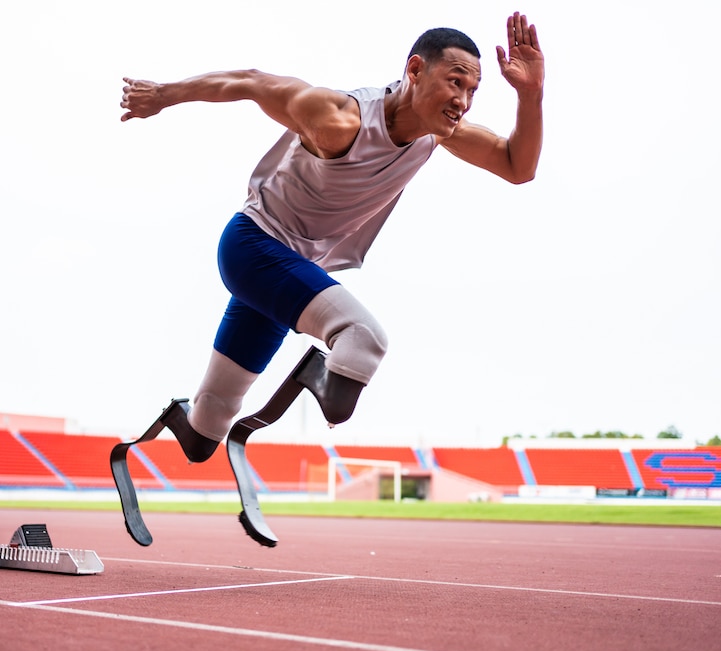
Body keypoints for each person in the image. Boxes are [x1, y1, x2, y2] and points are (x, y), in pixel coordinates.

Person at [120, 12, 544, 462]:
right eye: (455, 82)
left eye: (472, 91)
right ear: (415, 70)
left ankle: (188, 420)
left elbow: (518, 166)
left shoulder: (437, 137)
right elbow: (250, 81)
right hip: (253, 245)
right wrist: (163, 95)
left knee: (207, 431)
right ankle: (318, 378)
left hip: (292, 272)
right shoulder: (340, 120)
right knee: (362, 340)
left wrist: (532, 93)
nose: (463, 100)